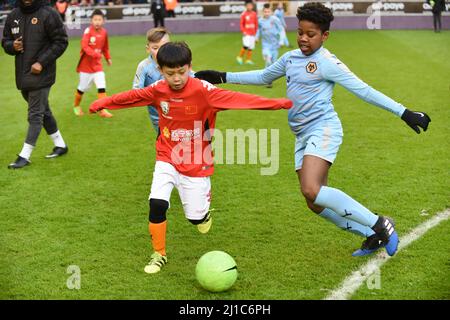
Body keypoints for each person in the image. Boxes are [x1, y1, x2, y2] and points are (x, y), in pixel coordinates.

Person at [195, 2, 432, 257]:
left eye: (311, 34)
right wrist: (222, 76)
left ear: (325, 36)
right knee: (314, 202)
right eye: (300, 32)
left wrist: (404, 112)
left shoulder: (327, 62)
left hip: (324, 128)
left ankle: (379, 223)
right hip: (302, 135)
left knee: (311, 188)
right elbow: (264, 77)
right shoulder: (290, 58)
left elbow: (363, 90)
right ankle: (371, 234)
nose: (303, 39)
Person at [89, 42, 292, 274]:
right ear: (160, 69)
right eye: (169, 73)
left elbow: (239, 99)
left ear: (190, 67)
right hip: (166, 155)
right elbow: (133, 97)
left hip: (196, 162)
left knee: (195, 219)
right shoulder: (158, 89)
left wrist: (276, 104)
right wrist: (104, 101)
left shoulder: (204, 91)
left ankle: (202, 213)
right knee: (157, 203)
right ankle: (159, 254)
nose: (176, 78)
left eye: (181, 72)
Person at [2, 0, 69, 169]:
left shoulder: (49, 13)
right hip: (23, 76)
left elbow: (61, 41)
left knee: (35, 115)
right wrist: (12, 46)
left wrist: (41, 62)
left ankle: (25, 155)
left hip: (42, 74)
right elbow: (5, 42)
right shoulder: (13, 15)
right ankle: (60, 145)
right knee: (43, 110)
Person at [73, 9, 113, 118]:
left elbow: (105, 48)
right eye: (95, 19)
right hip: (86, 67)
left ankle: (102, 110)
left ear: (103, 21)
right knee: (82, 88)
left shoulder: (104, 32)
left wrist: (108, 58)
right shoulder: (88, 31)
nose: (97, 22)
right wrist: (95, 54)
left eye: (99, 19)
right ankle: (76, 106)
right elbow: (84, 46)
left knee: (101, 86)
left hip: (97, 66)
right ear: (91, 21)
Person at [132, 27, 170, 131]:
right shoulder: (144, 66)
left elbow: (192, 77)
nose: (160, 51)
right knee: (164, 142)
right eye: (155, 47)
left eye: (164, 46)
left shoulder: (175, 61)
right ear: (148, 49)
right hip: (157, 116)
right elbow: (136, 92)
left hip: (179, 110)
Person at [256, 3, 283, 88]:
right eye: (265, 12)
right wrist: (256, 37)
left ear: (271, 12)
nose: (267, 13)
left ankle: (269, 80)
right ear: (263, 12)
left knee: (273, 64)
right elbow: (258, 30)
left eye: (268, 12)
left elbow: (281, 30)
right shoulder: (260, 21)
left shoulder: (275, 19)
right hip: (266, 45)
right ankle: (267, 79)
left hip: (275, 45)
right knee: (268, 60)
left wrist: (281, 41)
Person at [236, 0, 258, 65]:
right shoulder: (244, 14)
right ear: (246, 6)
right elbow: (241, 24)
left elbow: (256, 23)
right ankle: (239, 57)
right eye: (248, 6)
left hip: (253, 33)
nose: (249, 7)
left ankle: (248, 60)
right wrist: (243, 31)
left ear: (252, 6)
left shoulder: (254, 14)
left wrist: (256, 32)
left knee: (251, 47)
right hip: (247, 33)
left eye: (250, 5)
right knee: (246, 45)